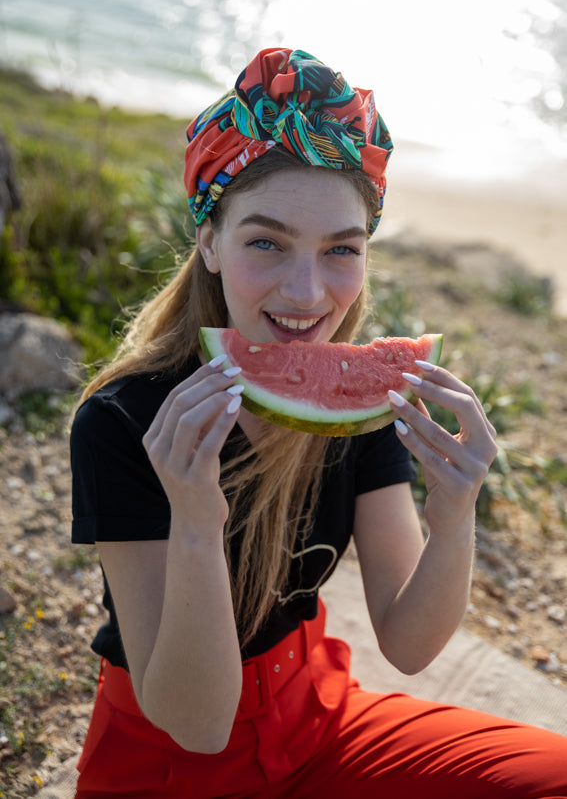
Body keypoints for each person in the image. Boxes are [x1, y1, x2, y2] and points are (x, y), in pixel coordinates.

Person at [70, 47, 567, 799]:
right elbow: (196, 725)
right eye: (265, 242)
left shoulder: (365, 406)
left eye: (341, 250)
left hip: (318, 718)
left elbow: (407, 644)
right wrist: (198, 523)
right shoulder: (124, 422)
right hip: (166, 760)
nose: (306, 293)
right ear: (209, 242)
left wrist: (454, 515)